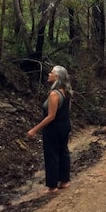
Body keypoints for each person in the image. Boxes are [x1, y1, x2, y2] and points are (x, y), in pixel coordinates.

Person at [26, 65, 72, 193]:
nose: (49, 75)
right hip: (65, 126)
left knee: (51, 155)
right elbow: (67, 111)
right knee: (63, 152)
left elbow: (51, 116)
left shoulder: (54, 94)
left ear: (57, 77)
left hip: (54, 128)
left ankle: (52, 186)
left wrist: (34, 130)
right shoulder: (66, 92)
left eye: (51, 73)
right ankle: (65, 181)